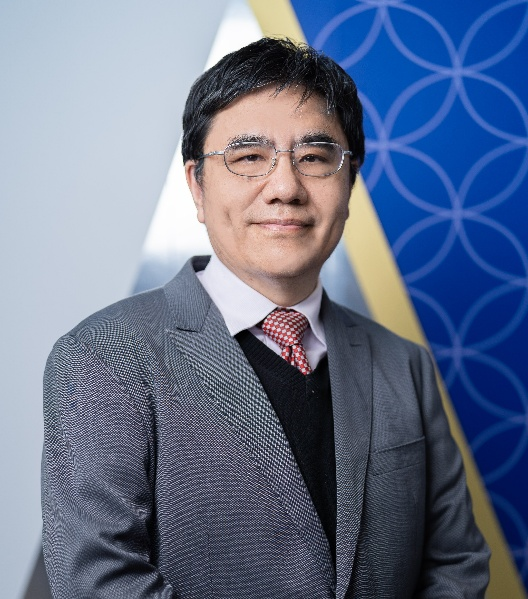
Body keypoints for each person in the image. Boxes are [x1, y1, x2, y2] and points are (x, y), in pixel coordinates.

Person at [42, 37, 490, 598]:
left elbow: (455, 563)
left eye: (314, 158)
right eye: (249, 157)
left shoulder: (404, 365)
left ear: (349, 183)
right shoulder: (102, 357)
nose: (284, 188)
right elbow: (97, 581)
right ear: (197, 186)